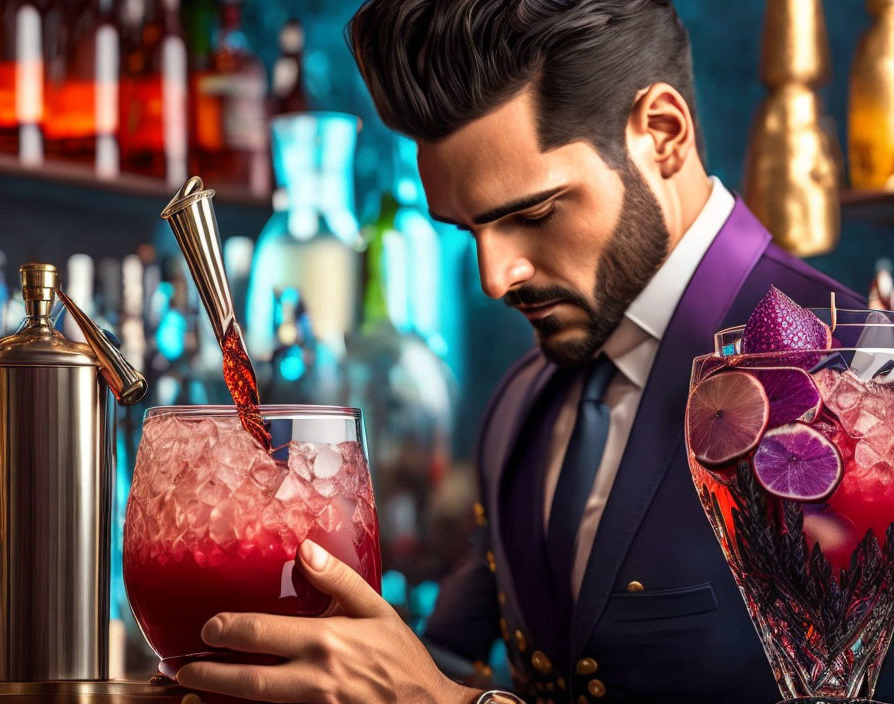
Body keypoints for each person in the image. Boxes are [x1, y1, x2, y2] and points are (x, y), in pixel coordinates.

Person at [176, 1, 892, 702]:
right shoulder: (521, 401)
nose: (496, 277)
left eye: (535, 212)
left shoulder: (862, 384)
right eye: (467, 229)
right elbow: (434, 655)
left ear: (663, 133)